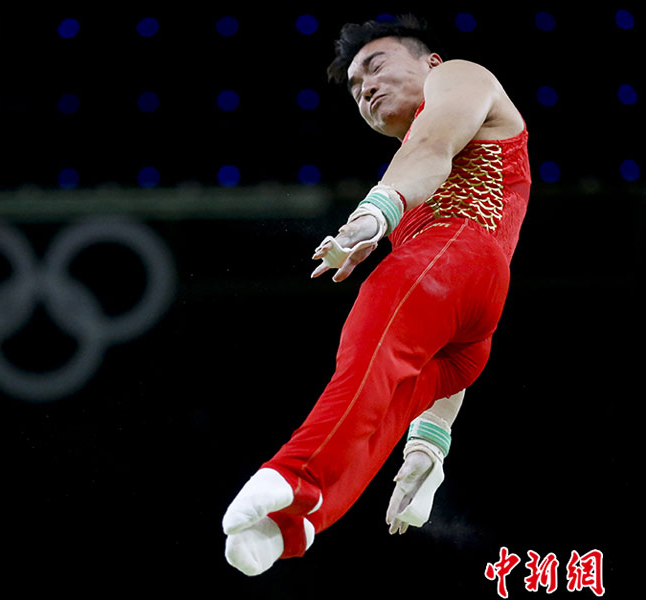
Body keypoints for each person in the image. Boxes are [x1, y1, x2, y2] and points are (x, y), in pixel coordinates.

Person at [222, 14, 530, 576]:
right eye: (357, 89)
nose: (365, 88)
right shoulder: (409, 167)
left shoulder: (460, 77)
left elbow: (435, 147)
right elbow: (463, 292)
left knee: (364, 357)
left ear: (428, 62)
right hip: (471, 321)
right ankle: (301, 521)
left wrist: (376, 213)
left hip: (454, 264)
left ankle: (295, 475)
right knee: (383, 412)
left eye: (377, 66)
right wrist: (431, 442)